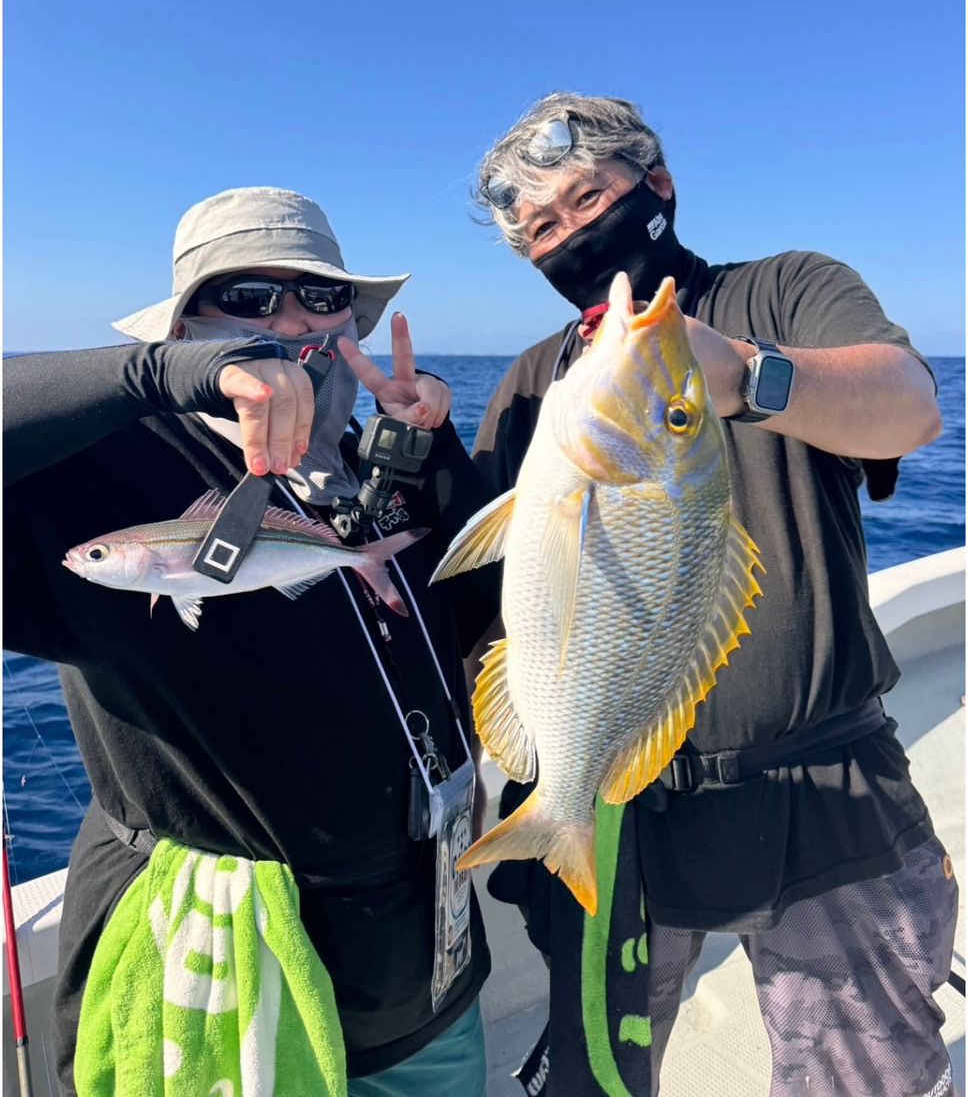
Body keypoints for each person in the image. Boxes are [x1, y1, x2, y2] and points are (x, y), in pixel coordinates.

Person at [468, 94, 958, 1097]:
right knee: (594, 1079)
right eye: (540, 230)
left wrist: (739, 376)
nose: (566, 234)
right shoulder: (533, 381)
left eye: (585, 198)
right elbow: (483, 580)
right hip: (621, 811)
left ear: (658, 184)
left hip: (825, 786)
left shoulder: (784, 291)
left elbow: (909, 409)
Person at [3, 186, 499, 1097]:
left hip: (426, 968)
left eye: (318, 296)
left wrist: (439, 457)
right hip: (223, 988)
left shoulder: (378, 464)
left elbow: (488, 613)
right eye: (246, 299)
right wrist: (157, 380)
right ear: (185, 326)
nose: (290, 322)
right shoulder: (99, 472)